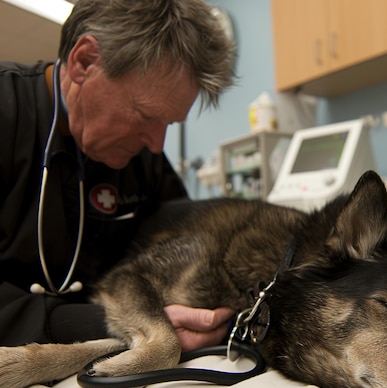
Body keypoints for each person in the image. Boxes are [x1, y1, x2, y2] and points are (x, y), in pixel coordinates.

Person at [0, 0, 236, 352]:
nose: (156, 145)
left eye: (168, 124)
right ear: (84, 62)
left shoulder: (143, 162)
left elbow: (186, 253)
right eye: (145, 116)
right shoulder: (7, 111)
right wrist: (108, 323)